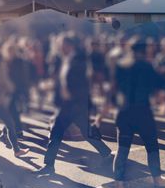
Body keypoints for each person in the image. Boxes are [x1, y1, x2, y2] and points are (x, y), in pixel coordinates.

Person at [37, 34, 112, 175]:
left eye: (61, 44)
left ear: (68, 45)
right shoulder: (65, 59)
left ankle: (49, 166)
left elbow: (82, 84)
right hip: (68, 105)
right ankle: (106, 153)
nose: (59, 47)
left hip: (75, 105)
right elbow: (63, 80)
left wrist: (72, 97)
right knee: (72, 132)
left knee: (60, 133)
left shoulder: (78, 61)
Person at [113, 39, 165, 188]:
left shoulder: (121, 64)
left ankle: (119, 186)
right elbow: (160, 85)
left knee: (122, 149)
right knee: (152, 145)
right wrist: (164, 102)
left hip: (123, 112)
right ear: (144, 50)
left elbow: (113, 87)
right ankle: (157, 180)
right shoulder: (146, 66)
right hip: (141, 112)